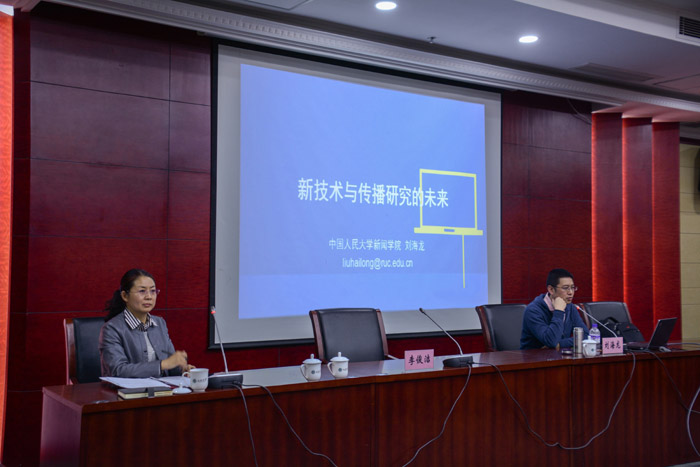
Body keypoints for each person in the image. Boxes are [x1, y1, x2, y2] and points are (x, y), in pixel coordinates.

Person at [99, 268, 194, 377]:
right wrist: (162, 365)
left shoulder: (159, 323)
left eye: (153, 291)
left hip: (161, 387)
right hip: (128, 388)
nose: (149, 297)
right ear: (125, 296)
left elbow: (169, 365)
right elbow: (118, 370)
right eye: (142, 291)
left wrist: (182, 369)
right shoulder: (111, 328)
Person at [520, 268, 589, 350]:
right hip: (533, 357)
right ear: (551, 289)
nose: (570, 292)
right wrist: (559, 311)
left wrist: (560, 344)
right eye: (565, 288)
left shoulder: (570, 307)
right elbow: (551, 341)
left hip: (559, 355)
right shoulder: (533, 310)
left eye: (572, 287)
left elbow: (585, 335)